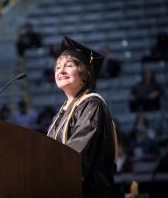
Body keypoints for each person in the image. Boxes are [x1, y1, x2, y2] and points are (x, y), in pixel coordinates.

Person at [46, 36, 117, 198]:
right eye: (57, 67)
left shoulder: (92, 105)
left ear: (85, 74)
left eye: (68, 65)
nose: (61, 71)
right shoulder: (60, 113)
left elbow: (74, 155)